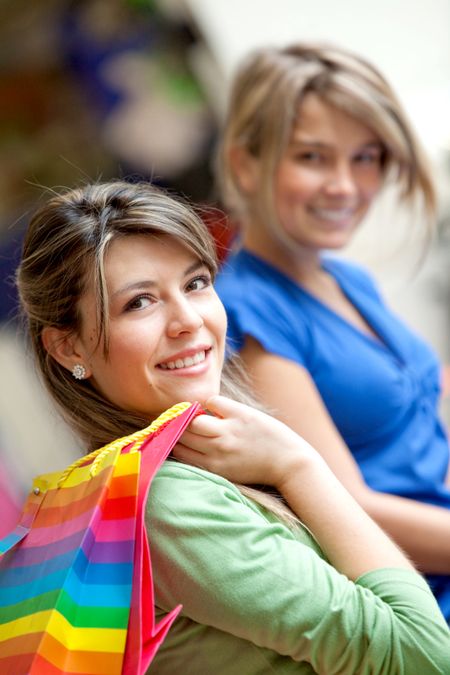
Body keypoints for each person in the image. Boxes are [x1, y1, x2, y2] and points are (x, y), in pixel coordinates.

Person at [16, 180, 450, 674]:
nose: (188, 320)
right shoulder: (167, 504)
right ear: (69, 348)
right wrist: (298, 464)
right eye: (139, 302)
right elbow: (424, 655)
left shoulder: (203, 463)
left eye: (196, 283)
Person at [214, 42, 450, 622]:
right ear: (246, 163)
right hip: (421, 595)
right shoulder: (246, 308)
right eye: (314, 157)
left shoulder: (347, 277)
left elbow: (413, 406)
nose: (346, 185)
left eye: (366, 157)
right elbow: (348, 506)